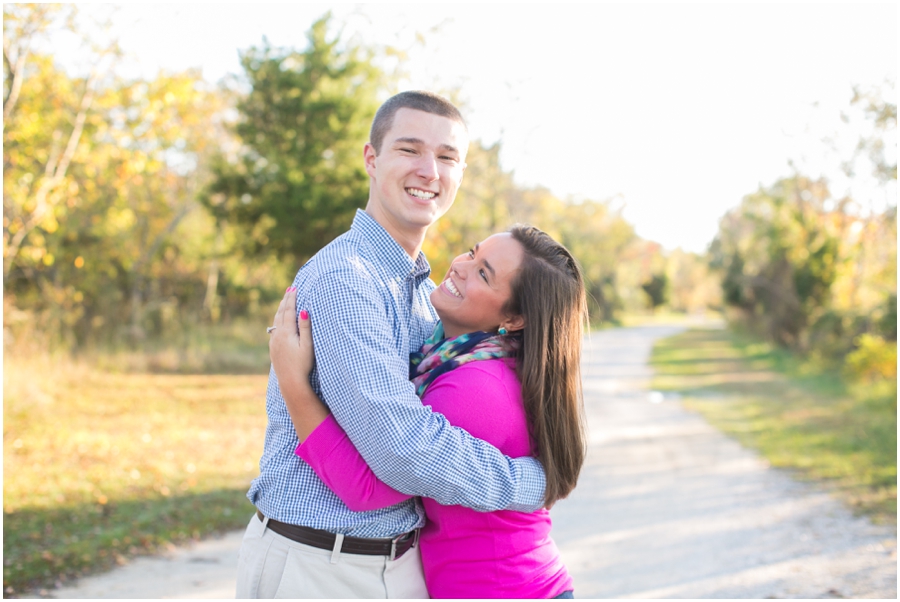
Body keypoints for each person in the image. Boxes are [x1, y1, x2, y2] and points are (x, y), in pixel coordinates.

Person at [235, 91, 548, 599]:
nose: (429, 170)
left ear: (460, 175)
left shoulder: (426, 296)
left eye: (447, 157)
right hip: (320, 565)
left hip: (390, 564)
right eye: (409, 149)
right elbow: (402, 450)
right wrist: (528, 484)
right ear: (371, 159)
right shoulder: (346, 279)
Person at [270, 225, 588, 598]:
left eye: (483, 274)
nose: (460, 266)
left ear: (515, 320)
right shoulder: (457, 358)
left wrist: (293, 384)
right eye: (472, 252)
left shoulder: (473, 388)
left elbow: (367, 489)